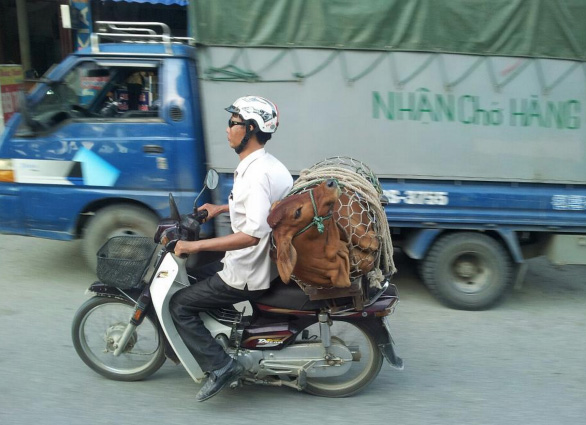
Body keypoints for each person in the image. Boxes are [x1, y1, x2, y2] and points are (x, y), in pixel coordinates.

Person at [169, 96, 293, 402]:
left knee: (180, 305)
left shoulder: (255, 175)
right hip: (264, 261)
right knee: (197, 279)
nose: (227, 129)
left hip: (248, 270)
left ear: (250, 129)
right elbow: (263, 209)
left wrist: (195, 244)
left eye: (233, 123)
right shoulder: (268, 165)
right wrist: (221, 208)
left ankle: (221, 366)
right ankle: (226, 336)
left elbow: (251, 234)